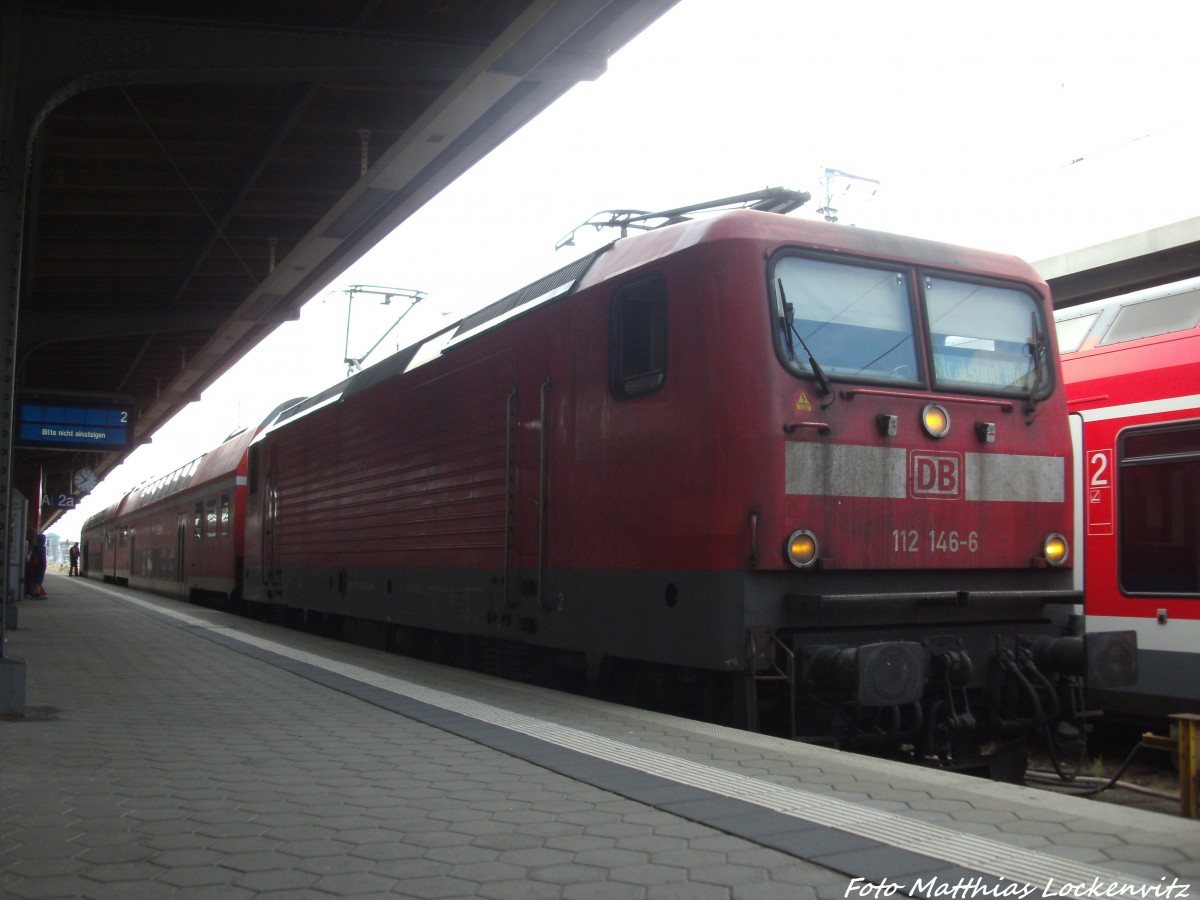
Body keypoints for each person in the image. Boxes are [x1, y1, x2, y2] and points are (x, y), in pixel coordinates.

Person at [26, 533, 47, 598]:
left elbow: (33, 557)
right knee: (38, 580)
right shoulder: (42, 548)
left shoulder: (35, 547)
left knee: (34, 579)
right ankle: (36, 593)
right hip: (40, 566)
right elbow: (43, 559)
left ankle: (33, 593)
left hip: (34, 565)